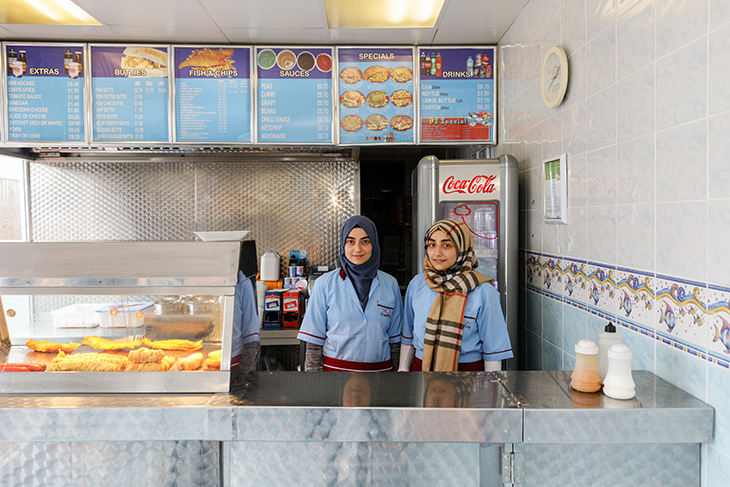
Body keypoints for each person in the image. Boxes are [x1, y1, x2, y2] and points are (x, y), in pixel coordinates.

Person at [399, 219, 512, 372]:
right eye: (432, 245)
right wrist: (403, 372)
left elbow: (493, 354)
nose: (437, 252)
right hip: (420, 372)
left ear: (462, 248)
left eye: (447, 245)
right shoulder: (418, 284)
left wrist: (488, 391)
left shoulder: (483, 292)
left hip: (468, 378)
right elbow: (408, 339)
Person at [298, 215, 403, 372]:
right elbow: (313, 346)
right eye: (351, 241)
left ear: (374, 244)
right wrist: (316, 387)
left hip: (381, 377)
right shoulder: (324, 285)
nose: (358, 249)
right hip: (335, 378)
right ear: (343, 245)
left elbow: (395, 344)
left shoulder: (390, 284)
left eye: (365, 241)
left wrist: (396, 383)